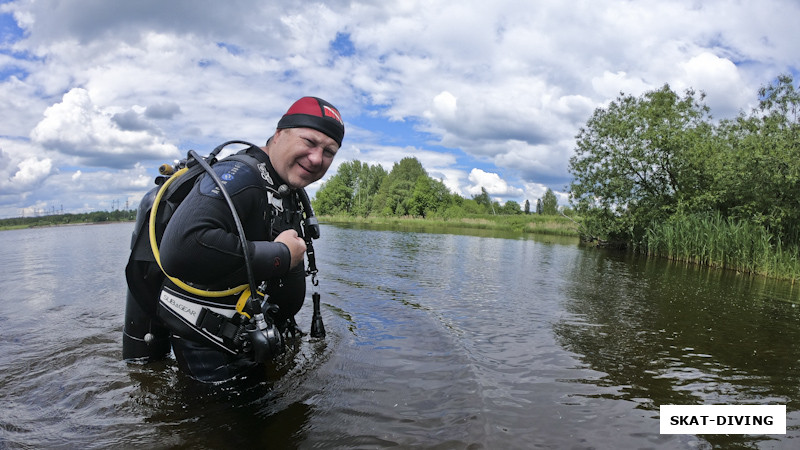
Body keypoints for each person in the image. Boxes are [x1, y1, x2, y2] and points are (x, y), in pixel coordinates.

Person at [123, 96, 344, 381]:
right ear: (279, 135)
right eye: (309, 142)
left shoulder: (283, 186)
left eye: (329, 151)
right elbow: (183, 247)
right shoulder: (240, 176)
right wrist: (283, 255)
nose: (317, 158)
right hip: (211, 353)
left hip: (245, 341)